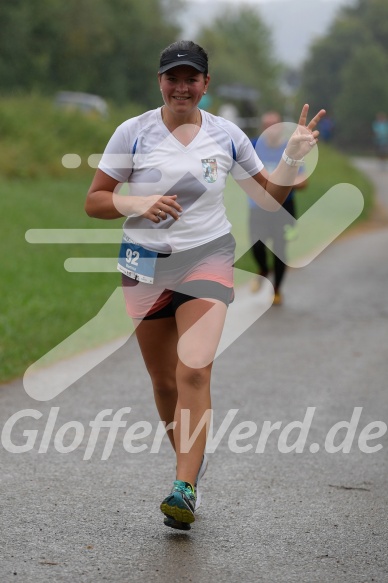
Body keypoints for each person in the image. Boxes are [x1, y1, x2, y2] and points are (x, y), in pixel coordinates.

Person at [85, 40, 325, 531]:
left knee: (193, 371)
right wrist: (137, 203)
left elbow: (267, 196)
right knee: (164, 381)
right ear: (160, 82)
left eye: (191, 78)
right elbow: (95, 201)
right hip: (143, 263)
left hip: (207, 258)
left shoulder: (227, 135)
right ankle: (189, 464)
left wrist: (293, 159)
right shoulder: (132, 133)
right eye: (173, 78)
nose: (181, 87)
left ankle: (184, 486)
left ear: (205, 85)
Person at [248, 111, 309, 305]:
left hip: (285, 206)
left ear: (281, 127)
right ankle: (264, 269)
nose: (270, 130)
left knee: (280, 249)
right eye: (266, 125)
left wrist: (280, 182)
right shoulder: (252, 145)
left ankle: (277, 290)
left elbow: (303, 181)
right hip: (258, 205)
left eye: (273, 125)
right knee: (256, 246)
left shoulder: (290, 147)